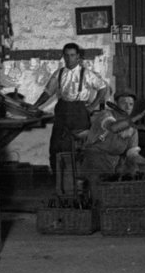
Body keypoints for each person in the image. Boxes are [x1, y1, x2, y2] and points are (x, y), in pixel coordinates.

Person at [33, 43, 111, 180]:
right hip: (62, 111)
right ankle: (59, 181)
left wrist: (92, 106)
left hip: (79, 113)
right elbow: (48, 92)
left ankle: (80, 180)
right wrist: (35, 105)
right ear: (63, 57)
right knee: (56, 147)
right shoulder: (59, 73)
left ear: (78, 57)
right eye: (67, 55)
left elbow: (103, 88)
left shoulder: (86, 74)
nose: (69, 59)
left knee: (81, 149)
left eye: (72, 55)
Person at [76, 91, 145, 183]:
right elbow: (114, 128)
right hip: (96, 161)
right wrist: (140, 116)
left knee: (132, 172)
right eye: (124, 103)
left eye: (131, 104)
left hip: (114, 164)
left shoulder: (132, 129)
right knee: (103, 184)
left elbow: (132, 154)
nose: (128, 107)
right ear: (115, 104)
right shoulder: (105, 115)